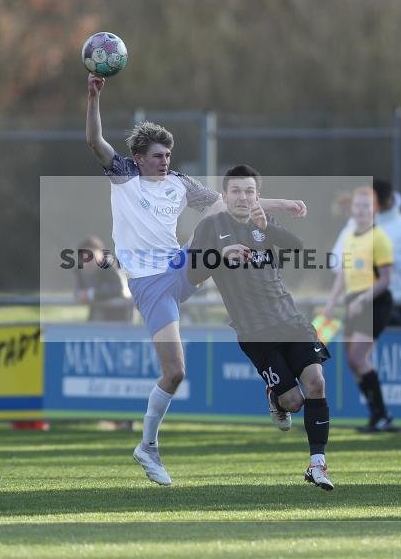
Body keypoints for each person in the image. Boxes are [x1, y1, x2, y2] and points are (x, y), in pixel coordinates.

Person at [85, 74, 306, 486]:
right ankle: (147, 446)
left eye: (168, 154)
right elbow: (95, 142)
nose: (164, 161)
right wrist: (94, 97)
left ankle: (267, 360)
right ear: (138, 158)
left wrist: (281, 203)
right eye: (157, 155)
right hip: (151, 284)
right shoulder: (123, 176)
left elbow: (230, 202)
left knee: (222, 229)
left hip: (181, 264)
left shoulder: (179, 184)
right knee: (174, 373)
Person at [187, 165, 333, 490]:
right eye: (236, 191)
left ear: (257, 196)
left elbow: (298, 248)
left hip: (291, 321)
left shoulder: (262, 222)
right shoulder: (211, 226)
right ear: (225, 196)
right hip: (255, 332)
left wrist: (269, 230)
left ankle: (317, 464)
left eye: (249, 191)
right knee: (293, 401)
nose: (243, 197)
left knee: (316, 382)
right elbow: (192, 273)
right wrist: (220, 255)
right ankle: (276, 396)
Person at [324, 187, 395, 432]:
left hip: (374, 301)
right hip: (354, 301)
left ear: (375, 209)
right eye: (358, 206)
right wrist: (331, 303)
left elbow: (386, 280)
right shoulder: (349, 236)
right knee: (353, 362)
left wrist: (363, 300)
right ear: (351, 209)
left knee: (357, 357)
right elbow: (343, 275)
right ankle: (377, 416)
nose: (362, 210)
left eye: (367, 206)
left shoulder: (379, 237)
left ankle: (382, 416)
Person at [332, 180, 401, 325]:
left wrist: (390, 260)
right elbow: (337, 263)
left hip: (397, 304)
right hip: (358, 303)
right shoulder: (352, 226)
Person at [74, 235, 133, 322]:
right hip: (96, 318)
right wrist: (81, 294)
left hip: (120, 318)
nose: (88, 261)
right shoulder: (80, 272)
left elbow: (118, 288)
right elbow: (78, 290)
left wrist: (90, 294)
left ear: (101, 256)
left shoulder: (111, 268)